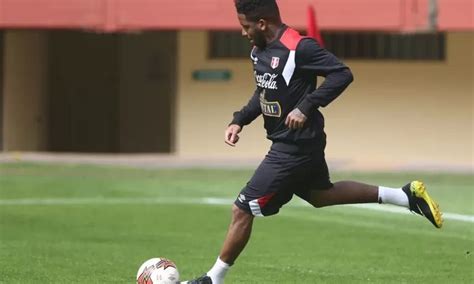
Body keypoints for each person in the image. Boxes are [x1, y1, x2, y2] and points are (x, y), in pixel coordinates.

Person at [183, 1, 442, 283]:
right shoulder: (258, 51)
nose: (243, 33)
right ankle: (406, 196)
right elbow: (264, 90)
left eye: (245, 27)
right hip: (293, 143)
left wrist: (306, 105)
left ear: (262, 23)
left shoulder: (299, 47)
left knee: (242, 209)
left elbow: (342, 73)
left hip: (295, 147)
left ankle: (213, 279)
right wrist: (239, 120)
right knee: (321, 195)